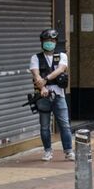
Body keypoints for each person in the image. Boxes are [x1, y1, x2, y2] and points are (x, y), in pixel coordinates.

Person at [29, 28, 74, 162]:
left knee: (65, 124)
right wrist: (42, 87)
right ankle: (47, 151)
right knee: (44, 126)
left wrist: (46, 80)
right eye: (47, 40)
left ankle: (68, 151)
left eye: (52, 40)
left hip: (59, 95)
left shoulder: (62, 56)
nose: (49, 42)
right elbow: (36, 74)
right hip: (42, 96)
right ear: (42, 42)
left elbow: (61, 69)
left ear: (56, 42)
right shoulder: (35, 58)